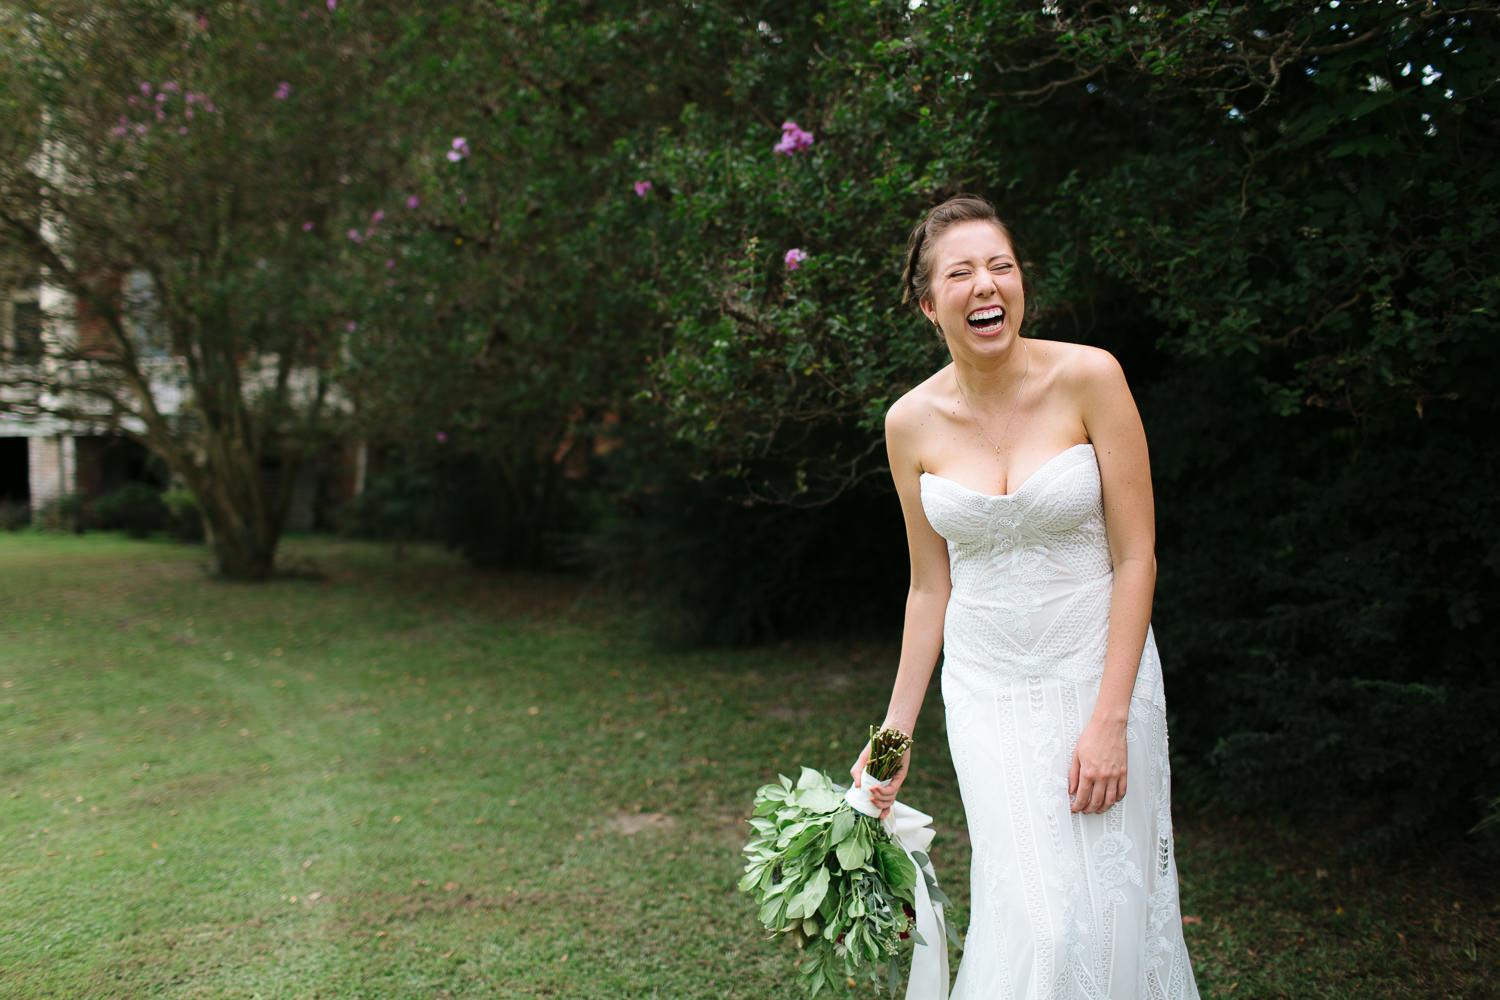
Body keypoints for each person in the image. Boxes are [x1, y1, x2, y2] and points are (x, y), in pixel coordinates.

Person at [850, 195, 1200, 999]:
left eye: (1001, 266)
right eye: (962, 272)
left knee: (1112, 911)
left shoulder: (1090, 376)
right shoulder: (909, 423)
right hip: (988, 692)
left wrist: (1110, 718)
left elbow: (1137, 553)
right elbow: (928, 586)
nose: (987, 285)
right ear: (926, 301)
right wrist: (892, 746)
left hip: (1100, 674)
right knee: (1038, 921)